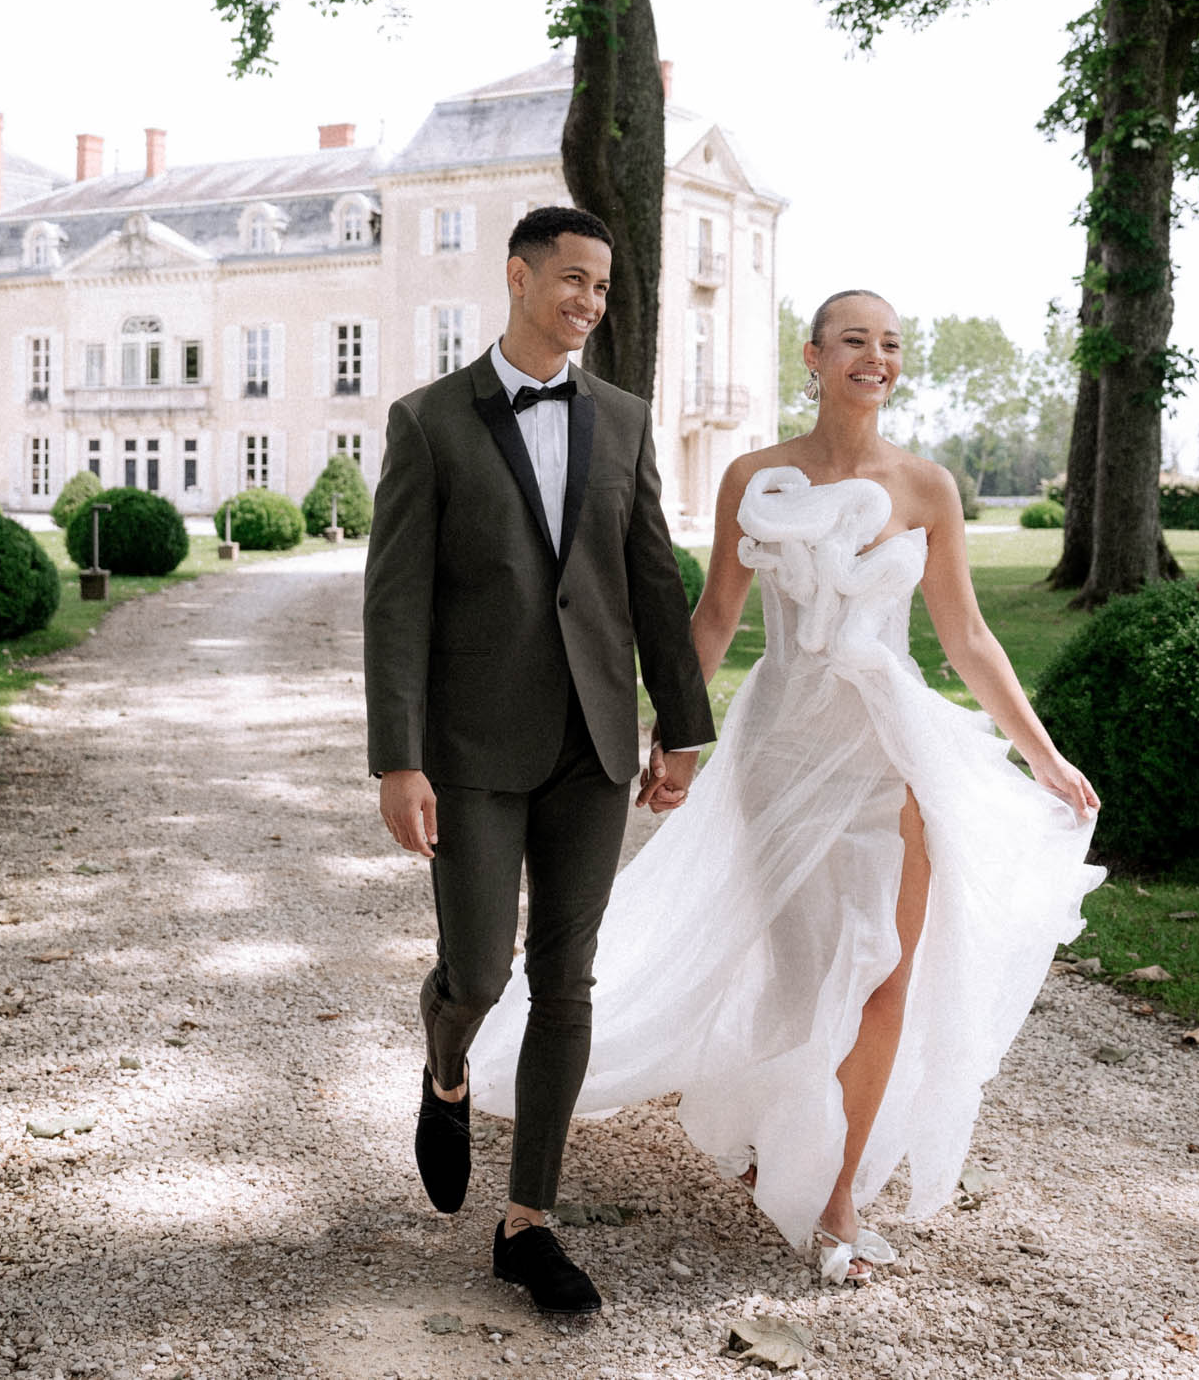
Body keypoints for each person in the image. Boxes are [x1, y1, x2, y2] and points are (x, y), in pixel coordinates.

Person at [464, 288, 1105, 1284]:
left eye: (891, 343)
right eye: (854, 340)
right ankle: (779, 1124)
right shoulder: (755, 477)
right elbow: (716, 613)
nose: (875, 356)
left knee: (887, 972)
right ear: (811, 357)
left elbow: (966, 638)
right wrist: (675, 737)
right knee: (808, 972)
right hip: (783, 746)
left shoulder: (927, 488)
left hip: (890, 748)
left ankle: (840, 1191)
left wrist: (1044, 752)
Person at [362, 205, 716, 1316]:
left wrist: (684, 724)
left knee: (566, 981)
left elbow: (651, 579)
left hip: (596, 745)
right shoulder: (427, 422)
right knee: (479, 971)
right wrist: (398, 759)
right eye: (571, 280)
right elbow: (394, 607)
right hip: (469, 749)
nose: (588, 303)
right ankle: (447, 1063)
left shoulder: (621, 418)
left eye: (602, 289)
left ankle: (529, 1224)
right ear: (516, 277)